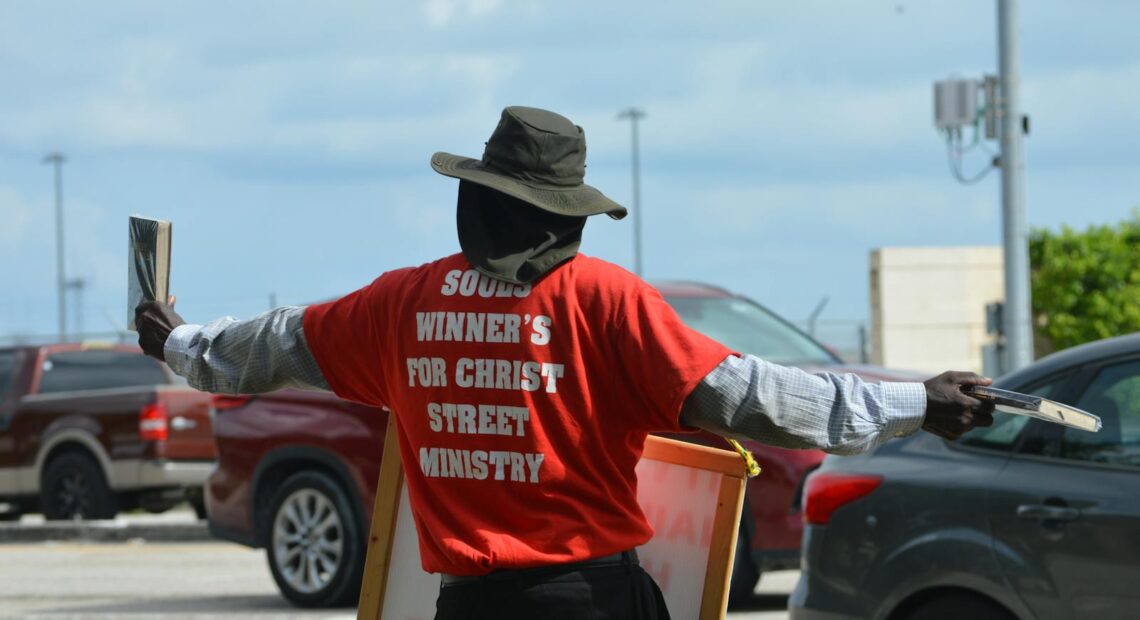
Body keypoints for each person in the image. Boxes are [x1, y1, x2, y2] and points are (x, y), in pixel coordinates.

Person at [135, 106, 994, 620]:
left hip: (468, 609)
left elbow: (270, 346)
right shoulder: (605, 301)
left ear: (477, 200)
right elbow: (756, 400)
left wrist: (175, 340)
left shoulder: (402, 306)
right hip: (590, 601)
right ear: (565, 215)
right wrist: (914, 402)